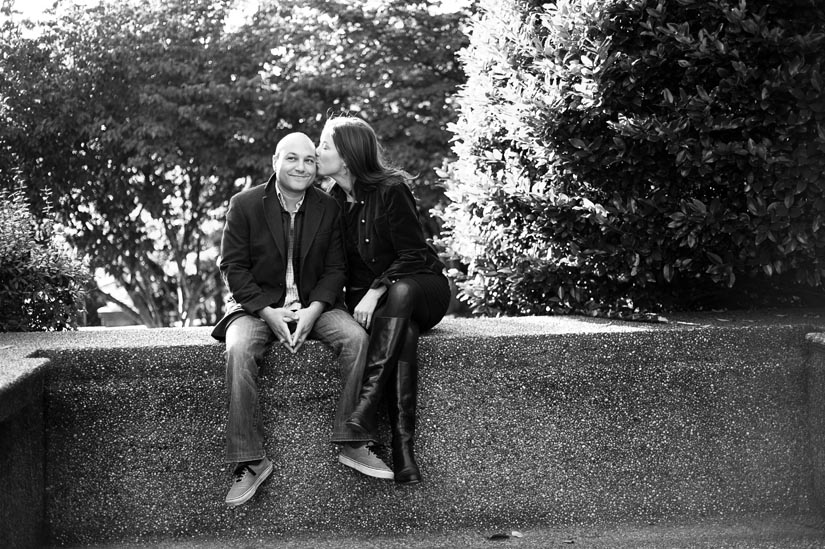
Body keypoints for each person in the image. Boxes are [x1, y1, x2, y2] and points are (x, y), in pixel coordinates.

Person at [211, 132, 393, 508]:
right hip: (256, 306)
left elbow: (335, 268)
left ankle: (352, 440)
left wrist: (313, 310)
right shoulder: (243, 204)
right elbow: (233, 267)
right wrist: (266, 311)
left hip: (316, 304)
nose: (301, 167)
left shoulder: (329, 207)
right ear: (274, 161)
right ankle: (250, 460)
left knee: (357, 340)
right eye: (292, 158)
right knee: (240, 347)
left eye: (309, 160)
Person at [316, 116, 451, 485]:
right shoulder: (331, 202)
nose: (317, 152)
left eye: (325, 145)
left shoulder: (391, 189)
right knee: (402, 333)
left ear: (346, 155)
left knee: (402, 291)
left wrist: (376, 291)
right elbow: (337, 266)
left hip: (421, 289)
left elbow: (413, 254)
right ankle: (404, 450)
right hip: (382, 310)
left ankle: (367, 403)